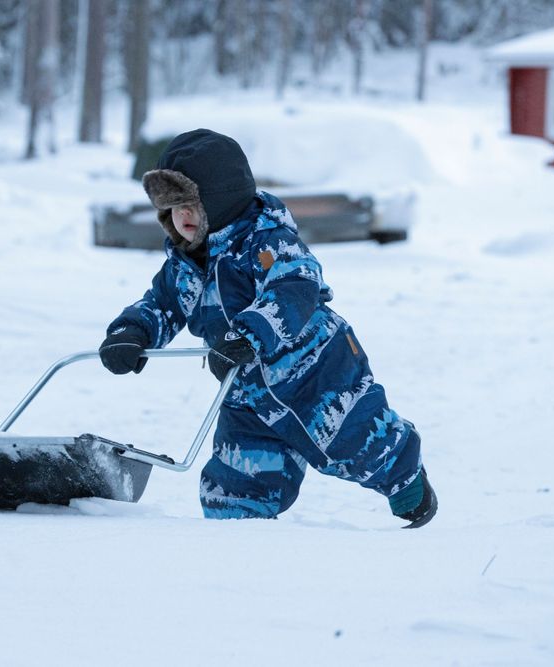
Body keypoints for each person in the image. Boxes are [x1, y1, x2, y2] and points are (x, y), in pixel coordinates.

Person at [98, 128, 436, 527]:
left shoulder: (266, 240)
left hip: (317, 376)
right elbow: (161, 304)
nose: (182, 217)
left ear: (221, 199)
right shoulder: (184, 265)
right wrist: (131, 332)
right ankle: (244, 547)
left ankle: (405, 478)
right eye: (173, 208)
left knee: (356, 443)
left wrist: (250, 333)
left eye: (191, 205)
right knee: (237, 483)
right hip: (246, 392)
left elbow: (294, 285)